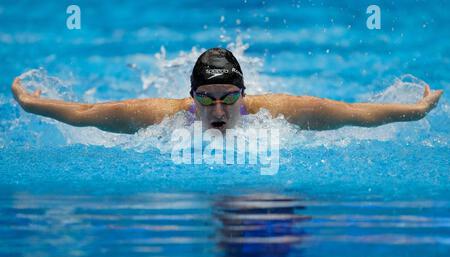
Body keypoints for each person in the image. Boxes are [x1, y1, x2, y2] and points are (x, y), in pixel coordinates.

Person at [11, 47, 443, 134]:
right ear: (192, 97)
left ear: (244, 95)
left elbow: (352, 112)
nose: (218, 108)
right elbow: (86, 113)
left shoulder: (278, 112)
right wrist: (32, 104)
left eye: (229, 97)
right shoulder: (163, 116)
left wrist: (416, 110)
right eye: (206, 98)